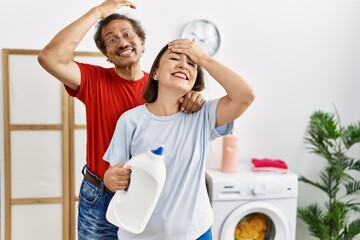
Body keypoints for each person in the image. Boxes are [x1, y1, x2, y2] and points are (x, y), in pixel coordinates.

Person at [37, 1, 204, 239]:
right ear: (106, 54)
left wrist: (195, 98)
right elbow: (49, 57)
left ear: (142, 43)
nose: (122, 42)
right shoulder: (93, 80)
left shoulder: (164, 85)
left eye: (127, 34)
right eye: (112, 39)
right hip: (101, 194)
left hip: (149, 194)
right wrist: (98, 12)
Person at [103, 38, 255, 239]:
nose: (184, 64)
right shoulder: (131, 120)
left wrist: (204, 59)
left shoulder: (203, 116)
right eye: (175, 58)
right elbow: (115, 173)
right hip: (140, 234)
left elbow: (245, 96)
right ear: (155, 72)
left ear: (194, 80)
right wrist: (110, 179)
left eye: (192, 63)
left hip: (195, 233)